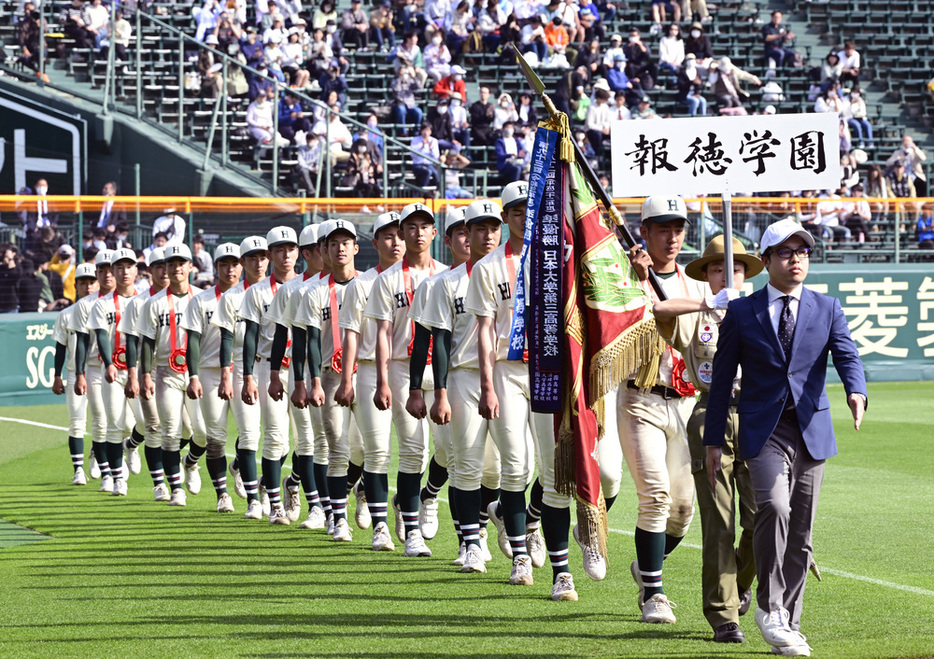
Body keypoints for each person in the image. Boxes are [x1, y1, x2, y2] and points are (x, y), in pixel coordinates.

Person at [705, 219, 867, 657]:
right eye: (785, 252)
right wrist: (714, 438)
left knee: (801, 532)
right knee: (773, 508)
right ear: (767, 260)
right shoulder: (742, 312)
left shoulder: (827, 306)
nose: (796, 259)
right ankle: (768, 607)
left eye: (803, 252)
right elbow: (721, 382)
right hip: (764, 429)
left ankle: (788, 623)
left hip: (812, 429)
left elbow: (847, 354)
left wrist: (856, 389)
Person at [465, 182, 580, 601]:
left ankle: (560, 571)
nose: (520, 217)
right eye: (514, 211)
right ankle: (518, 555)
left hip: (549, 371)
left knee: (552, 472)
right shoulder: (488, 267)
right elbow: (482, 330)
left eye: (527, 210)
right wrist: (485, 385)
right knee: (515, 465)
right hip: (507, 371)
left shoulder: (556, 258)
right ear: (505, 217)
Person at [652, 236, 762, 643]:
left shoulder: (762, 309)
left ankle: (739, 582)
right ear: (707, 275)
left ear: (744, 273)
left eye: (733, 268)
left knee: (761, 519)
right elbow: (659, 308)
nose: (726, 274)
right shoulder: (700, 314)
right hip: (710, 413)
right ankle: (723, 615)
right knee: (719, 522)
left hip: (755, 415)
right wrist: (708, 306)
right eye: (717, 268)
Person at [619, 196, 708, 624]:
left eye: (678, 229)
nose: (671, 238)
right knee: (654, 495)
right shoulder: (623, 276)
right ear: (645, 232)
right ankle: (653, 593)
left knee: (683, 509)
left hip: (689, 400)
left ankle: (645, 565)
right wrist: (640, 280)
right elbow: (627, 320)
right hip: (642, 397)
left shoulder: (699, 285)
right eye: (662, 229)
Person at [364, 204, 448, 557]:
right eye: (409, 227)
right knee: (413, 450)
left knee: (449, 452)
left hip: (443, 370)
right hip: (401, 367)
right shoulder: (387, 279)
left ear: (433, 233)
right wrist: (382, 379)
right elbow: (383, 333)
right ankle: (412, 531)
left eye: (423, 226)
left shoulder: (446, 274)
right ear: (401, 233)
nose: (416, 233)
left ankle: (424, 496)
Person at [336, 212, 406, 551]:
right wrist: (346, 379)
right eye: (387, 236)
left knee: (414, 452)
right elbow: (350, 335)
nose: (395, 242)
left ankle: (404, 506)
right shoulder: (361, 284)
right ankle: (380, 526)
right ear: (375, 242)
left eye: (399, 235)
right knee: (372, 450)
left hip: (408, 370)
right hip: (366, 370)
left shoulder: (421, 279)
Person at [296, 221, 364, 543]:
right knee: (335, 445)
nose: (338, 248)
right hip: (329, 374)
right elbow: (308, 340)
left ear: (355, 247)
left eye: (345, 242)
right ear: (323, 250)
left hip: (363, 373)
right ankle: (337, 517)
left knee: (366, 449)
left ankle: (358, 491)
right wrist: (313, 382)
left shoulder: (368, 285)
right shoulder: (312, 292)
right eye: (332, 243)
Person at [139, 244, 208, 507]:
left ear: (191, 267)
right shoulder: (154, 303)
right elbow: (146, 341)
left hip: (197, 373)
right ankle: (175, 487)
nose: (177, 268)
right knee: (170, 431)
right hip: (165, 372)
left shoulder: (202, 297)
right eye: (172, 264)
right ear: (166, 268)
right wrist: (145, 374)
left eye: (182, 263)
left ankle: (190, 463)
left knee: (200, 432)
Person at [239, 227, 300, 524]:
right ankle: (275, 504)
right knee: (275, 436)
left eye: (290, 248)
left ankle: (291, 485)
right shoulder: (257, 291)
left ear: (298, 252)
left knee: (304, 441)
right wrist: (248, 376)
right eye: (279, 249)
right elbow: (250, 336)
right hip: (268, 367)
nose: (285, 254)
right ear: (271, 254)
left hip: (301, 367)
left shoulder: (306, 285)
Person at [210, 237, 271, 518]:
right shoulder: (231, 297)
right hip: (239, 366)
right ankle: (253, 501)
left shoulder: (279, 290)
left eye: (262, 257)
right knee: (249, 434)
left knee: (277, 437)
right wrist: (225, 373)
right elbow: (225, 338)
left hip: (272, 365)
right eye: (252, 258)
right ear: (243, 262)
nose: (258, 263)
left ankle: (247, 473)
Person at [181, 243, 242, 514]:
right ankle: (222, 494)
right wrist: (193, 375)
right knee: (214, 435)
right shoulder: (201, 300)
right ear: (215, 267)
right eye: (224, 264)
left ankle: (239, 466)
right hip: (209, 371)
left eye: (235, 264)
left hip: (243, 370)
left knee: (251, 431)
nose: (230, 269)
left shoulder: (251, 296)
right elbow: (192, 341)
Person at [71, 250, 117, 492]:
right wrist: (79, 373)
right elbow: (80, 341)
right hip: (94, 367)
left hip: (125, 368)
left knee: (127, 424)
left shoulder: (133, 299)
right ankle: (107, 474)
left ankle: (112, 451)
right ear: (97, 273)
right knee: (100, 419)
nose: (108, 273)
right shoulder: (86, 304)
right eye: (103, 269)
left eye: (112, 268)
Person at [52, 263, 99, 485]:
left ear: (98, 283)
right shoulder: (66, 314)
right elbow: (60, 347)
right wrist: (57, 376)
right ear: (75, 285)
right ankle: (79, 470)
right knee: (77, 421)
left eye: (92, 282)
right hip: (74, 373)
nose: (88, 286)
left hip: (99, 372)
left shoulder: (105, 309)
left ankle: (97, 454)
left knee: (106, 421)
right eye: (83, 282)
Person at [391, 65, 424, 132]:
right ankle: (403, 132)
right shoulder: (395, 81)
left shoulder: (410, 81)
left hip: (410, 105)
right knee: (401, 110)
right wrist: (400, 78)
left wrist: (413, 77)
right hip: (400, 104)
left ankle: (416, 131)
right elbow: (396, 89)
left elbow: (419, 86)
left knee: (419, 112)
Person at [410, 123, 441, 188]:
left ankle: (437, 191)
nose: (425, 132)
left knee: (436, 173)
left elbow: (436, 157)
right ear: (421, 131)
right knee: (427, 172)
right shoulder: (415, 140)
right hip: (417, 165)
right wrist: (422, 147)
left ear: (430, 132)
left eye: (428, 130)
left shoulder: (434, 141)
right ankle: (422, 191)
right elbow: (412, 155)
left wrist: (430, 149)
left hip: (429, 164)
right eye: (424, 130)